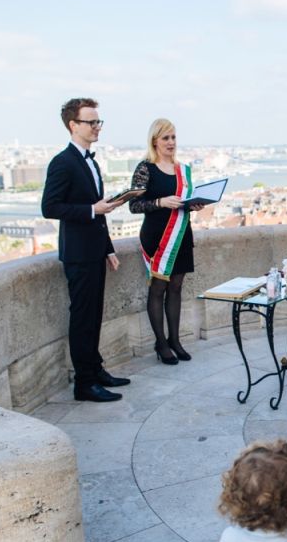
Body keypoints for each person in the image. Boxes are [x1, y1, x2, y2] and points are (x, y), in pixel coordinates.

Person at [41, 97, 130, 403]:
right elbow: (50, 207)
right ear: (72, 125)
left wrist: (108, 248)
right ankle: (84, 383)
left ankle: (96, 370)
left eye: (98, 122)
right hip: (78, 255)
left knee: (94, 317)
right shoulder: (62, 162)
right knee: (82, 319)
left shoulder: (89, 161)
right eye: (91, 122)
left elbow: (98, 213)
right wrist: (93, 208)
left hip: (94, 251)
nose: (97, 128)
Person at [128, 119, 206, 364]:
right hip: (157, 237)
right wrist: (161, 202)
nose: (171, 142)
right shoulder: (145, 168)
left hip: (181, 235)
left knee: (176, 288)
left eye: (173, 137)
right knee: (158, 289)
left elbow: (183, 202)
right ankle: (160, 344)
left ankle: (175, 340)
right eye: (166, 138)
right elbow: (133, 205)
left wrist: (194, 204)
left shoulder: (183, 170)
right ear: (155, 141)